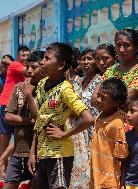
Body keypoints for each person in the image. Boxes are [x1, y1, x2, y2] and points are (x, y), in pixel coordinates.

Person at [26, 42, 94, 189]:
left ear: (61, 65)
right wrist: (32, 152)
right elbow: (39, 121)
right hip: (42, 153)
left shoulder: (65, 89)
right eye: (43, 58)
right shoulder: (42, 84)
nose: (42, 62)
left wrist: (64, 134)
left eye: (47, 58)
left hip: (59, 155)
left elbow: (88, 119)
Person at [2, 51, 45, 189]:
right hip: (18, 151)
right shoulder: (18, 87)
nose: (29, 71)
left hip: (40, 153)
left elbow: (42, 119)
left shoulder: (47, 90)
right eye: (27, 67)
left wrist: (28, 95)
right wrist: (31, 121)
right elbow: (8, 116)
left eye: (34, 67)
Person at [67, 48, 102, 189]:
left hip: (93, 129)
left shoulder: (100, 80)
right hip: (78, 131)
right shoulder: (77, 81)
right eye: (83, 59)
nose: (86, 62)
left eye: (90, 59)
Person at [90, 78, 128, 189]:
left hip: (109, 181)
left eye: (104, 98)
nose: (98, 100)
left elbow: (122, 157)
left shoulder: (117, 124)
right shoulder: (100, 115)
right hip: (96, 176)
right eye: (98, 95)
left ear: (117, 103)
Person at [0, 46, 30, 174]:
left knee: (18, 136)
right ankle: (2, 168)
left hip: (19, 107)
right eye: (23, 55)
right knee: (4, 138)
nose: (26, 58)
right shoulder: (16, 66)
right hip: (6, 104)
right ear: (18, 57)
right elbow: (26, 71)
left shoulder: (26, 70)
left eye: (28, 55)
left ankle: (3, 164)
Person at [103, 28, 138, 97]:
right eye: (118, 45)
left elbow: (129, 95)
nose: (121, 50)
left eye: (127, 45)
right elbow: (95, 98)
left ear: (136, 48)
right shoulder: (111, 70)